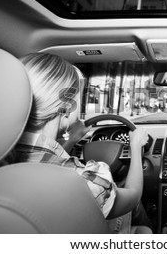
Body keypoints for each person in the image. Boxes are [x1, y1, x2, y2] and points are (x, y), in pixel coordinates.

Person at [13, 52, 150, 233]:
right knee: (143, 230)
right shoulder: (85, 182)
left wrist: (72, 140)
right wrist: (136, 146)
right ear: (68, 108)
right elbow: (133, 196)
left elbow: (46, 158)